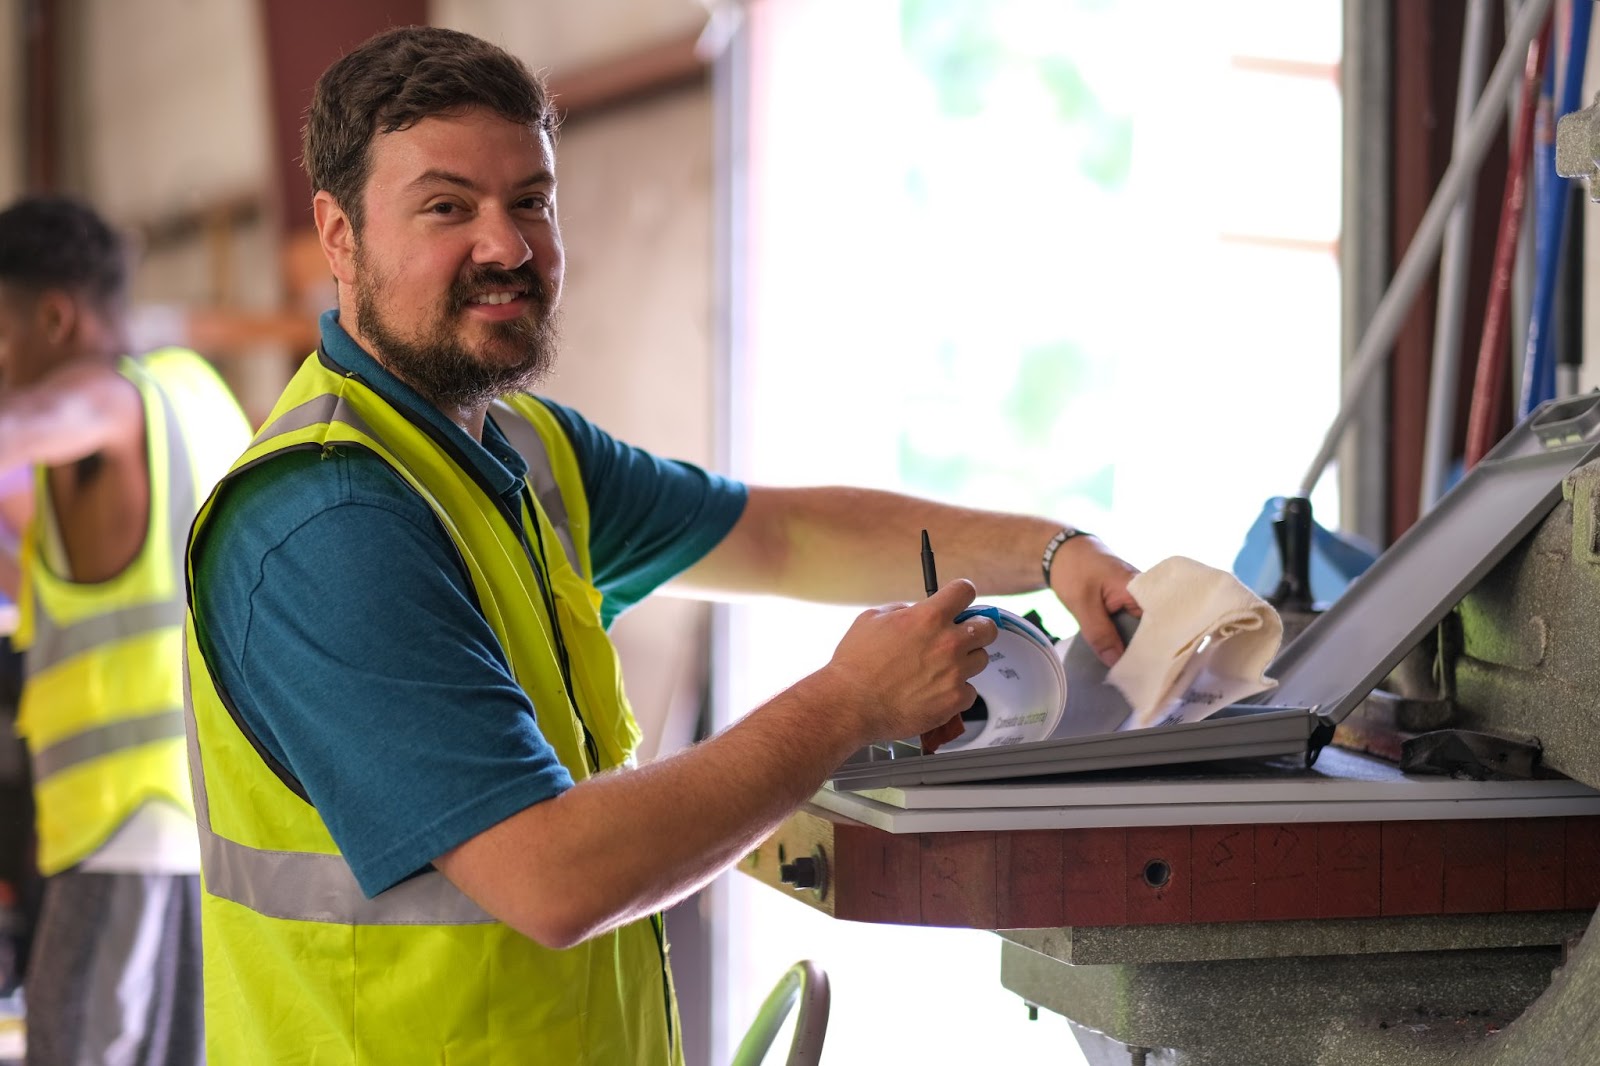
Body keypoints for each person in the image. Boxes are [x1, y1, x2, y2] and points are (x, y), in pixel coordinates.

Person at [183, 24, 1142, 1065]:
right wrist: (850, 702)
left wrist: (1055, 550)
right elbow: (554, 878)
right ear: (338, 234)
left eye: (531, 202)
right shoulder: (328, 525)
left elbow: (782, 537)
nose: (504, 246)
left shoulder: (521, 449)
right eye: (447, 207)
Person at [0, 195, 253, 1065]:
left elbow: (29, 425)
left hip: (125, 838)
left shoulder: (103, 402)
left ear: (55, 317)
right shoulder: (198, 404)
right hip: (218, 834)